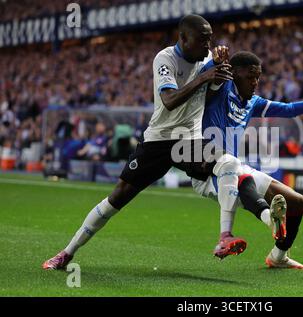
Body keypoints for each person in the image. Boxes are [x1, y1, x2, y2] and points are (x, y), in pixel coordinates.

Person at [42, 15, 265, 270]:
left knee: (229, 163)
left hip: (189, 140)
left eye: (210, 39)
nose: (208, 45)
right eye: (202, 40)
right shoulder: (165, 59)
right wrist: (206, 76)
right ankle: (67, 253)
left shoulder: (207, 60)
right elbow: (169, 100)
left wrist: (217, 76)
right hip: (159, 141)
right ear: (183, 38)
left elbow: (211, 93)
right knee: (116, 200)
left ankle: (225, 236)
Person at [192, 51, 303, 269]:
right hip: (208, 171)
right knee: (243, 180)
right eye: (250, 76)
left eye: (258, 77)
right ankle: (269, 219)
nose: (255, 82)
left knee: (296, 202)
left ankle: (278, 256)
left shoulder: (253, 102)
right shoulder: (220, 89)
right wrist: (216, 61)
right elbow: (203, 77)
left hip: (234, 166)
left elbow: (289, 110)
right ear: (234, 74)